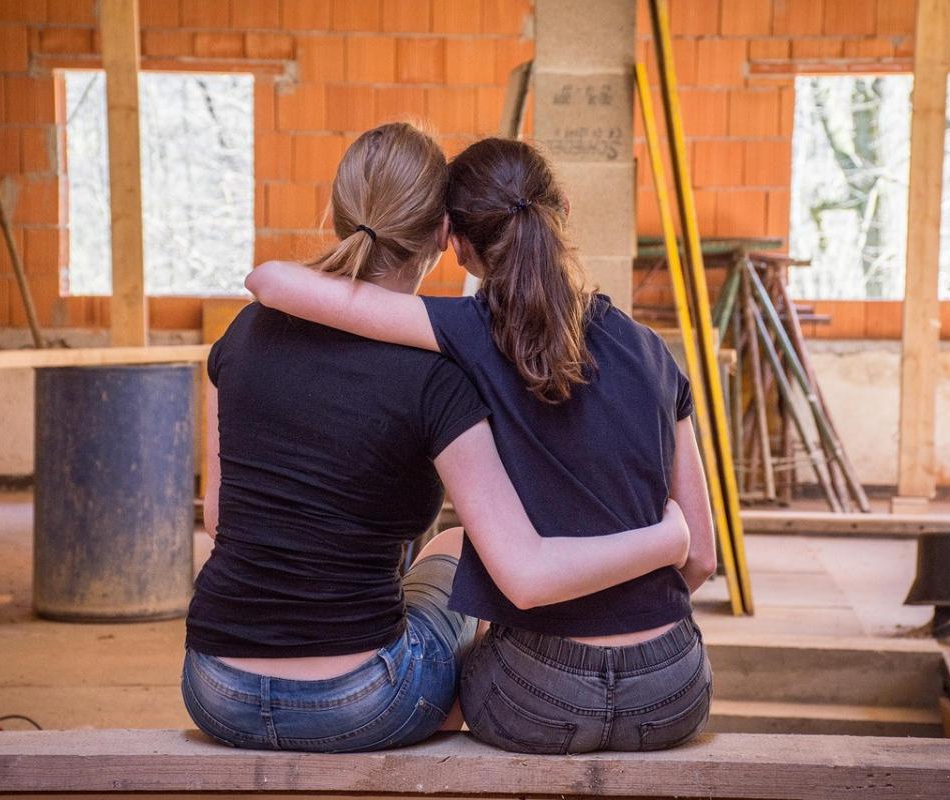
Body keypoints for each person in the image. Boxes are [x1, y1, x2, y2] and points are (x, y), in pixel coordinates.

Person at [184, 123, 691, 754]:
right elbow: (527, 569)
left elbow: (219, 517)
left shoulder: (239, 336)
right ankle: (443, 708)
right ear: (443, 235)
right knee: (454, 548)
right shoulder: (443, 372)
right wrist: (667, 537)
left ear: (341, 211)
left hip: (212, 687)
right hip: (364, 704)